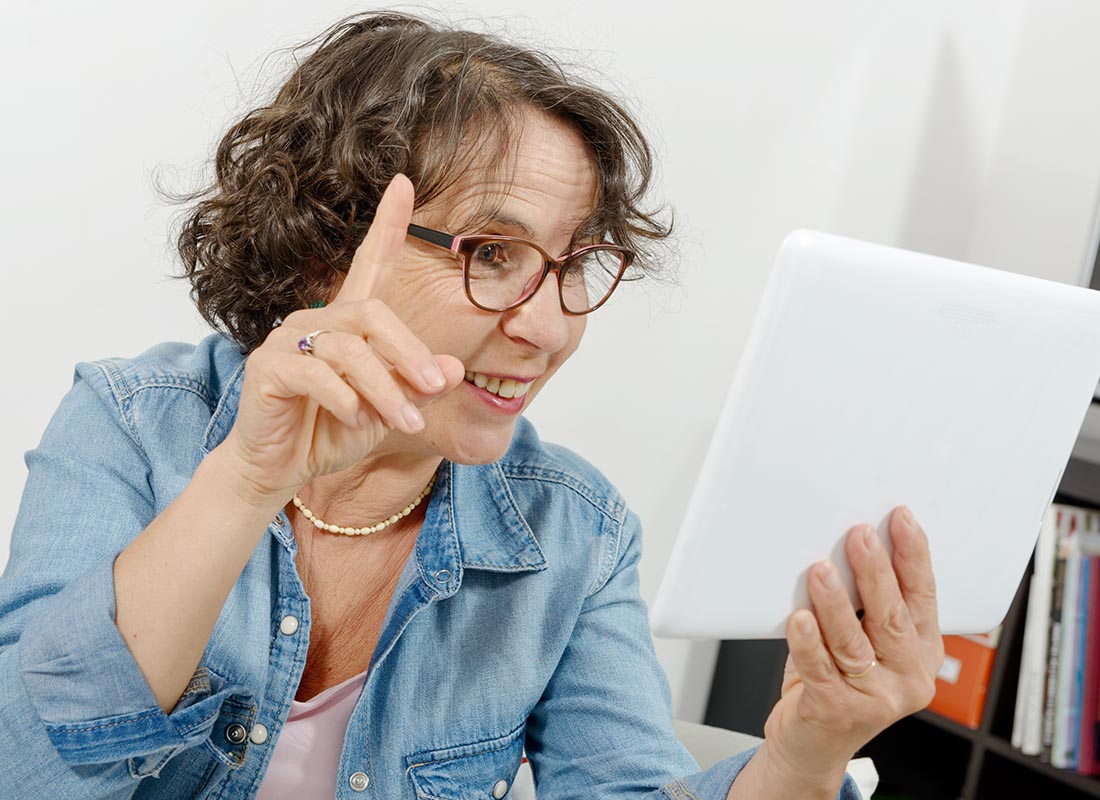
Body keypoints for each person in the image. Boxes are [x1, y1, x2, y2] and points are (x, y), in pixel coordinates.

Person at [0, 11, 943, 799]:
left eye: (572, 266)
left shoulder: (573, 530)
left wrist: (804, 750)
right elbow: (26, 769)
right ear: (330, 245)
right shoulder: (131, 426)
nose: (549, 329)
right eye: (492, 254)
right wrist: (247, 482)